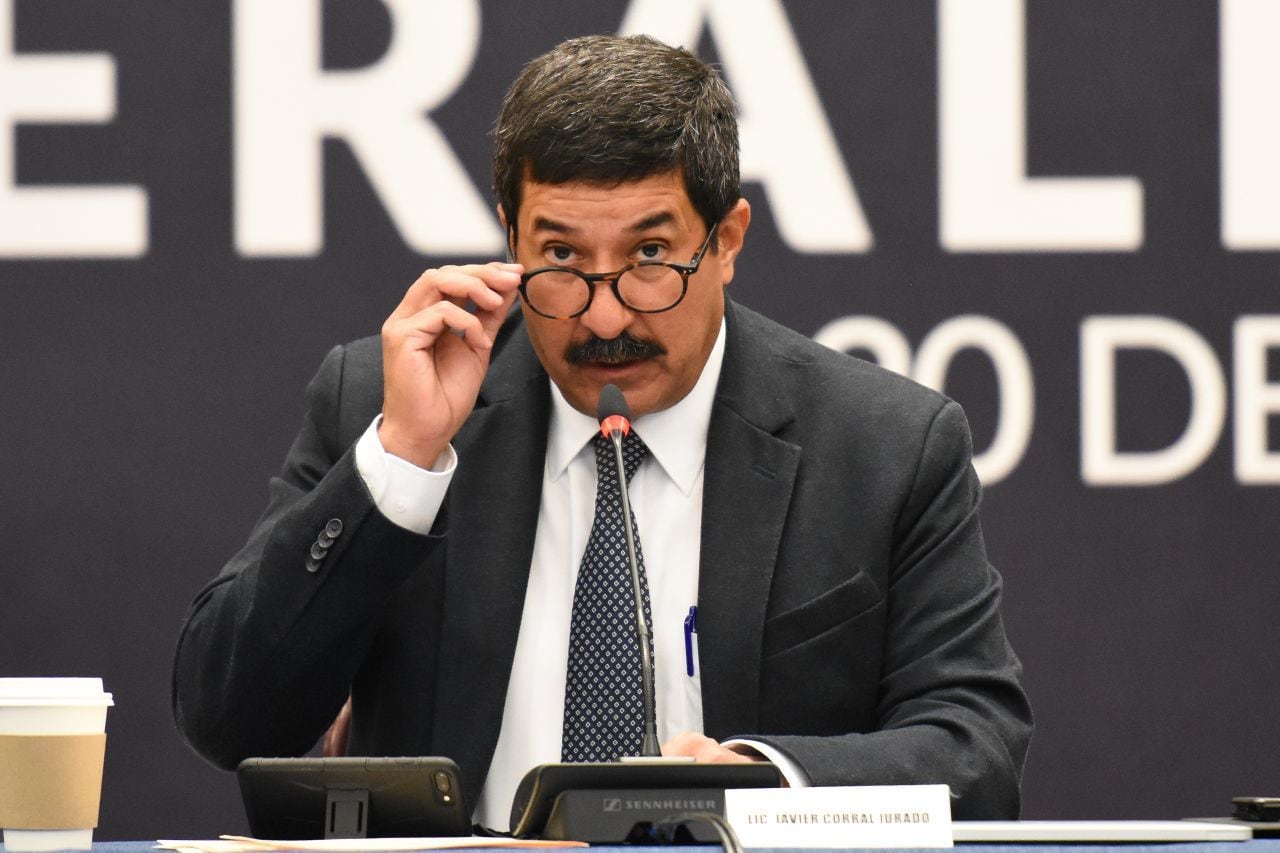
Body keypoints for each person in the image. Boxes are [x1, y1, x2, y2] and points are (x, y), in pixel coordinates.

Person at [172, 34, 1032, 830]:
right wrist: (402, 464)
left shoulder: (884, 445)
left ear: (727, 240)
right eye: (560, 259)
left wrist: (769, 784)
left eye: (650, 256)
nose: (605, 315)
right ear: (511, 238)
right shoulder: (388, 402)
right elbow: (227, 718)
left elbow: (976, 749)